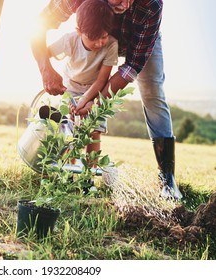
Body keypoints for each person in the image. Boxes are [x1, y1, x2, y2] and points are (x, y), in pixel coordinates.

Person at [31, 0, 183, 199]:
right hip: (96, 40)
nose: (125, 3)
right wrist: (45, 69)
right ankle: (68, 171)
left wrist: (96, 102)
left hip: (137, 42)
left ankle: (167, 180)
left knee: (152, 90)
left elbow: (132, 66)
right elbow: (40, 24)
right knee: (75, 114)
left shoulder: (151, 3)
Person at [47, 0, 117, 165]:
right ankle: (68, 173)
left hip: (95, 91)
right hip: (70, 88)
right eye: (93, 38)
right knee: (69, 130)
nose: (99, 43)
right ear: (79, 31)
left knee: (94, 130)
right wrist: (50, 72)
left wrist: (86, 100)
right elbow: (46, 53)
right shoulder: (70, 40)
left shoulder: (112, 45)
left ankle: (89, 175)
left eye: (104, 36)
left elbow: (102, 80)